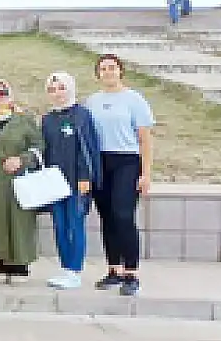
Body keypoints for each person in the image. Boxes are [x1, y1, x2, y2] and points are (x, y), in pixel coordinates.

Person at [84, 54, 154, 297]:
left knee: (123, 215)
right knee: (107, 216)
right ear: (98, 74)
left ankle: (131, 272)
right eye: (103, 69)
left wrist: (145, 174)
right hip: (101, 161)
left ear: (121, 71)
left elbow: (145, 138)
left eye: (112, 68)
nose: (108, 72)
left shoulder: (134, 99)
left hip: (126, 160)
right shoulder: (92, 101)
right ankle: (113, 269)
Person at [0, 79, 44, 284]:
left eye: (2, 93)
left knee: (19, 222)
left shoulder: (24, 120)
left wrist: (22, 160)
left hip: (18, 179)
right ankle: (1, 262)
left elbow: (38, 146)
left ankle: (20, 265)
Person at [41, 72, 101, 290]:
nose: (57, 93)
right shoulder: (47, 119)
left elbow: (87, 149)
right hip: (54, 182)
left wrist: (86, 177)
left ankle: (74, 270)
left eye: (61, 88)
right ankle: (65, 267)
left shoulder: (82, 115)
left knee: (75, 225)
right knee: (59, 225)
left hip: (77, 181)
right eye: (52, 89)